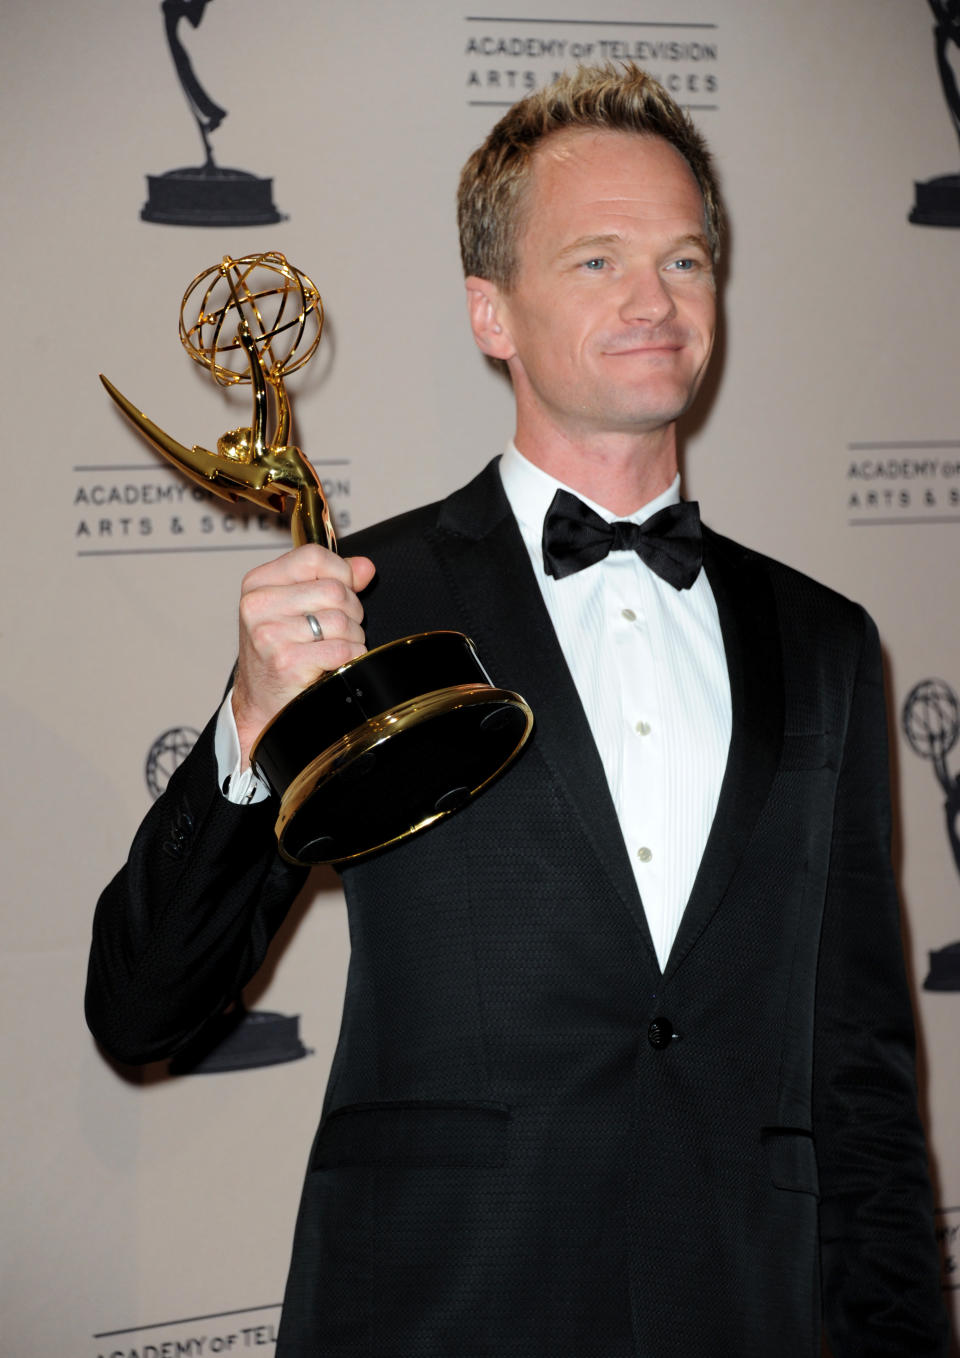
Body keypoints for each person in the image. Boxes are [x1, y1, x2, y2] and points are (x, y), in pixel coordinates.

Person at [86, 64, 950, 1357]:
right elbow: (143, 1008)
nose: (654, 300)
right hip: (448, 1308)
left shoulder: (824, 640)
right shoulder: (365, 601)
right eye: (596, 261)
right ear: (491, 310)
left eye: (685, 259)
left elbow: (865, 1073)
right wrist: (251, 732)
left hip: (748, 1308)